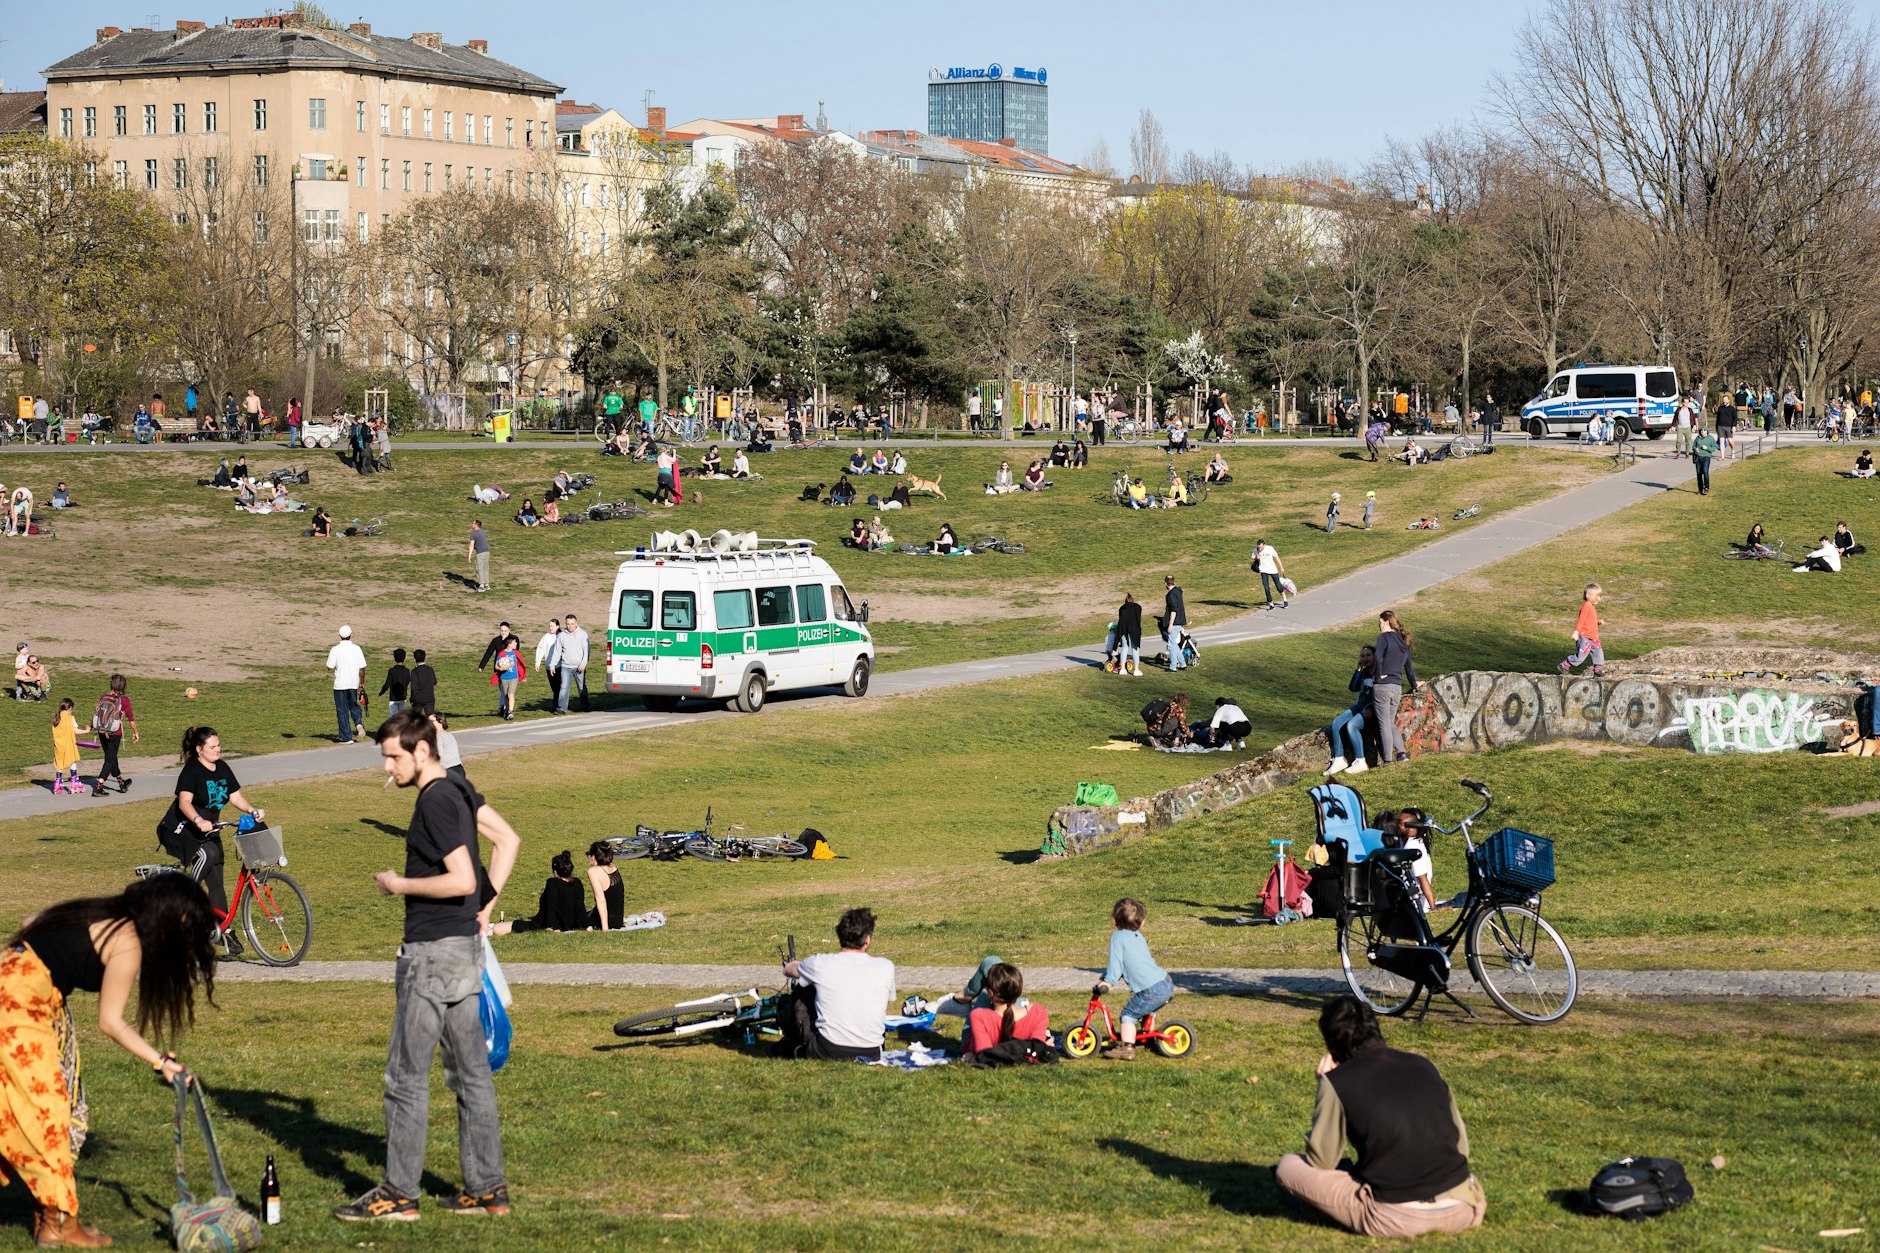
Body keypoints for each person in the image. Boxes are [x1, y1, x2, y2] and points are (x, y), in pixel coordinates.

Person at [335, 713, 517, 1223]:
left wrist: (400, 884)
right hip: (463, 950)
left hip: (432, 953)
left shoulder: (436, 799)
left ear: (422, 751)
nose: (388, 768)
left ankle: (399, 1193)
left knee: (405, 1076)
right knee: (471, 1075)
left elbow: (460, 878)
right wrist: (484, 909)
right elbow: (509, 840)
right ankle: (487, 1190)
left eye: (394, 757)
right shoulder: (459, 788)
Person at [1, 875, 216, 1248]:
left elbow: (28, 923)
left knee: (46, 1107)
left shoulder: (106, 913)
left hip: (22, 989)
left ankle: (50, 1214)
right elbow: (110, 1022)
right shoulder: (129, 943)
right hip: (16, 1006)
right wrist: (159, 1062)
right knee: (48, 1115)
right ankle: (58, 1222)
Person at [1274, 996, 1485, 1238]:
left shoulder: (1338, 1081)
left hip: (1397, 1217)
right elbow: (1462, 1148)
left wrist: (1324, 1084)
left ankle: (1322, 1208)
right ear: (1376, 1028)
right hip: (1463, 1208)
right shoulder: (1425, 1065)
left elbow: (1321, 1161)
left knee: (1288, 1166)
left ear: (1331, 1047)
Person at [168, 726, 266, 944]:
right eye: (212, 747)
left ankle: (222, 930)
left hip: (210, 828)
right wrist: (198, 820)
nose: (217, 750)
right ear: (199, 749)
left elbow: (235, 796)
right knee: (209, 853)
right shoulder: (192, 771)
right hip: (185, 827)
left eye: (219, 745)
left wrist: (252, 810)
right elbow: (184, 802)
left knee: (217, 881)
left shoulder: (221, 768)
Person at [780, 907, 896, 1061]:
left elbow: (788, 970)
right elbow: (889, 998)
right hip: (872, 1051)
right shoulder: (885, 966)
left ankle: (792, 1044)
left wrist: (800, 966)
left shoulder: (820, 964)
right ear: (867, 940)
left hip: (827, 1048)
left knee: (802, 991)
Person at [1096, 897, 1171, 1061]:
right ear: (1142, 922)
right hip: (1164, 981)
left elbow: (1116, 965)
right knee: (1147, 1009)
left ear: (1113, 920)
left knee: (1128, 1015)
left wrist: (1108, 982)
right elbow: (1132, 962)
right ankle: (1146, 1039)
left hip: (1152, 989)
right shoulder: (1138, 936)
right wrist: (1109, 974)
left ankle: (1127, 1048)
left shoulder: (1117, 937)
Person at [964, 963, 1049, 1057]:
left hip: (973, 1043)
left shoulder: (979, 1016)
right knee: (998, 972)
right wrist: (1043, 1048)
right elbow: (1037, 1051)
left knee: (989, 962)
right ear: (1019, 991)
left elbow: (984, 1055)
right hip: (1023, 1046)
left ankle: (959, 1000)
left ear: (990, 993)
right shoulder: (1038, 1012)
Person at [1372, 611, 1416, 764]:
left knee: (1384, 724)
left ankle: (1388, 760)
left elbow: (1377, 657)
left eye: (1380, 622)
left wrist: (1377, 676)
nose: (1379, 625)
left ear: (1386, 622)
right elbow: (1409, 668)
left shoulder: (1383, 638)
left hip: (1383, 687)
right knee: (1390, 723)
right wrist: (1414, 685)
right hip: (1396, 687)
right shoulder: (1404, 643)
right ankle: (1401, 754)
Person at [1325, 645, 1376, 776]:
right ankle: (1339, 758)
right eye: (1362, 656)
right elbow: (1353, 687)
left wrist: (1371, 708)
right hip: (1360, 705)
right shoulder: (1363, 672)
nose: (1365, 658)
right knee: (1336, 723)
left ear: (1375, 656)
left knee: (1351, 725)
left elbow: (1381, 696)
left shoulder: (1379, 672)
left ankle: (1360, 760)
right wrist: (1358, 670)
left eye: (1368, 655)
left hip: (1371, 709)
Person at [90, 673, 138, 795]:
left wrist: (91, 725)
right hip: (115, 732)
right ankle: (99, 786)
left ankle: (121, 782)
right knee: (110, 759)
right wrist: (135, 732)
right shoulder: (125, 700)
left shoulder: (103, 697)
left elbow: (99, 713)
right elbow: (131, 718)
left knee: (111, 756)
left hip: (102, 730)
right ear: (123, 686)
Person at [327, 625, 368, 744]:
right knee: (353, 705)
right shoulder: (357, 648)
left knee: (342, 710)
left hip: (340, 684)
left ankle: (346, 737)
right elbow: (362, 669)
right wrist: (362, 683)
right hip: (353, 683)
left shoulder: (335, 649)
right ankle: (358, 723)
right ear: (350, 635)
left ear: (340, 636)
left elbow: (330, 667)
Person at [1559, 583, 1606, 677]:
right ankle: (1564, 665)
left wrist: (1597, 622)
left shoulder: (1591, 607)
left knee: (1598, 652)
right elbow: (1581, 620)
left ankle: (1597, 670)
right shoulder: (1586, 606)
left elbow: (1589, 621)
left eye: (1600, 596)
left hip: (1593, 637)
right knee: (1581, 656)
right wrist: (1576, 632)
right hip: (1585, 636)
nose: (1599, 599)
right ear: (1588, 596)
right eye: (1596, 596)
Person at [580, 840, 625, 930]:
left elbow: (600, 900)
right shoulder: (613, 867)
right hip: (618, 919)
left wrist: (605, 928)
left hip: (606, 920)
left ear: (594, 857)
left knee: (578, 919)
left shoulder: (594, 871)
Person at [556, 614, 590, 714]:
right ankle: (561, 708)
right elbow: (557, 651)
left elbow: (586, 650)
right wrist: (553, 664)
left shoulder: (583, 634)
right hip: (566, 666)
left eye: (572, 624)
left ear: (576, 623)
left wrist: (584, 663)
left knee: (581, 687)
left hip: (579, 666)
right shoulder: (562, 635)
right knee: (564, 688)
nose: (570, 626)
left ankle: (585, 706)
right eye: (568, 624)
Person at [50, 698, 84, 796]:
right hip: (68, 744)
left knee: (59, 763)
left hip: (58, 745)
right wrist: (87, 730)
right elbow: (76, 731)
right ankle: (74, 783)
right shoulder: (70, 718)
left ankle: (57, 783)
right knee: (72, 760)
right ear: (69, 708)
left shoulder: (57, 717)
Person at [492, 634, 523, 720]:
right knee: (506, 695)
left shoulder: (516, 653)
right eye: (514, 642)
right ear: (509, 644)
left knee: (511, 694)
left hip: (514, 677)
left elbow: (520, 665)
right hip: (504, 678)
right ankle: (507, 710)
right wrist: (500, 668)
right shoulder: (502, 653)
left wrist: (522, 675)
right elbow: (496, 666)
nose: (516, 644)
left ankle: (510, 712)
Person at [534, 619, 563, 710]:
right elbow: (541, 649)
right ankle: (557, 704)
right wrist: (537, 662)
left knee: (559, 686)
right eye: (549, 626)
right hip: (548, 665)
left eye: (552, 626)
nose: (550, 628)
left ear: (557, 626)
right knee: (554, 687)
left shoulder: (561, 636)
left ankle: (557, 705)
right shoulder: (546, 637)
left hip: (560, 665)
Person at [1114, 592, 1144, 677]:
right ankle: (1136, 669)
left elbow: (1121, 618)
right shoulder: (1137, 607)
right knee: (1135, 648)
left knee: (1125, 647)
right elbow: (1138, 619)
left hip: (1123, 629)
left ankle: (1122, 669)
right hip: (1134, 629)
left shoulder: (1122, 608)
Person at [1254, 539, 1288, 610]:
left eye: (1261, 547)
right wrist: (1256, 558)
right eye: (1258, 547)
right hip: (1263, 570)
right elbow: (1253, 557)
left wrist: (1281, 567)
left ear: (1264, 545)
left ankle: (1285, 599)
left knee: (1278, 586)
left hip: (1272, 570)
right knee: (1266, 588)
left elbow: (1276, 557)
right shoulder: (1256, 550)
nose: (1260, 549)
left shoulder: (1270, 548)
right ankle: (1271, 603)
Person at [1163, 576, 1188, 672]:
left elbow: (1174, 610)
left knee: (1170, 645)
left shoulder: (1171, 594)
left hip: (1175, 622)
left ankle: (1173, 667)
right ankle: (1182, 664)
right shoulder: (1177, 592)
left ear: (1165, 583)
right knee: (1174, 644)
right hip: (1179, 621)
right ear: (1173, 582)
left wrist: (1170, 624)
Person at [380, 648, 413, 718]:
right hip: (402, 697)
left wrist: (381, 692)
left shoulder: (392, 671)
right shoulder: (407, 671)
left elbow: (387, 684)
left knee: (393, 717)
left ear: (395, 658)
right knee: (402, 717)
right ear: (404, 658)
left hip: (393, 698)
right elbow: (408, 681)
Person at [408, 650, 438, 719]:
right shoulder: (430, 669)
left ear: (414, 659)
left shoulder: (414, 671)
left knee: (415, 719)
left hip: (418, 699)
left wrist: (412, 699)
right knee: (431, 718)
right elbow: (435, 682)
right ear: (425, 658)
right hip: (429, 697)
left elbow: (414, 687)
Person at [1691, 425, 1719, 496]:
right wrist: (1695, 449)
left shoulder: (1710, 438)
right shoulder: (1698, 438)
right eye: (1701, 430)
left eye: (1704, 430)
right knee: (1698, 474)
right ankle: (1700, 489)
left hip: (1706, 457)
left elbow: (1714, 448)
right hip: (1698, 457)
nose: (1702, 431)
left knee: (1705, 472)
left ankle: (1706, 488)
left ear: (1707, 431)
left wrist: (1707, 448)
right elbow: (1693, 446)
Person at [468, 519, 491, 591]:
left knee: (480, 569)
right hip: (487, 552)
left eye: (472, 523)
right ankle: (486, 585)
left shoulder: (473, 534)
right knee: (485, 568)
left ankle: (481, 586)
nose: (471, 524)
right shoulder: (483, 532)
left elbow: (471, 545)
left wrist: (469, 556)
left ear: (475, 525)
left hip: (480, 553)